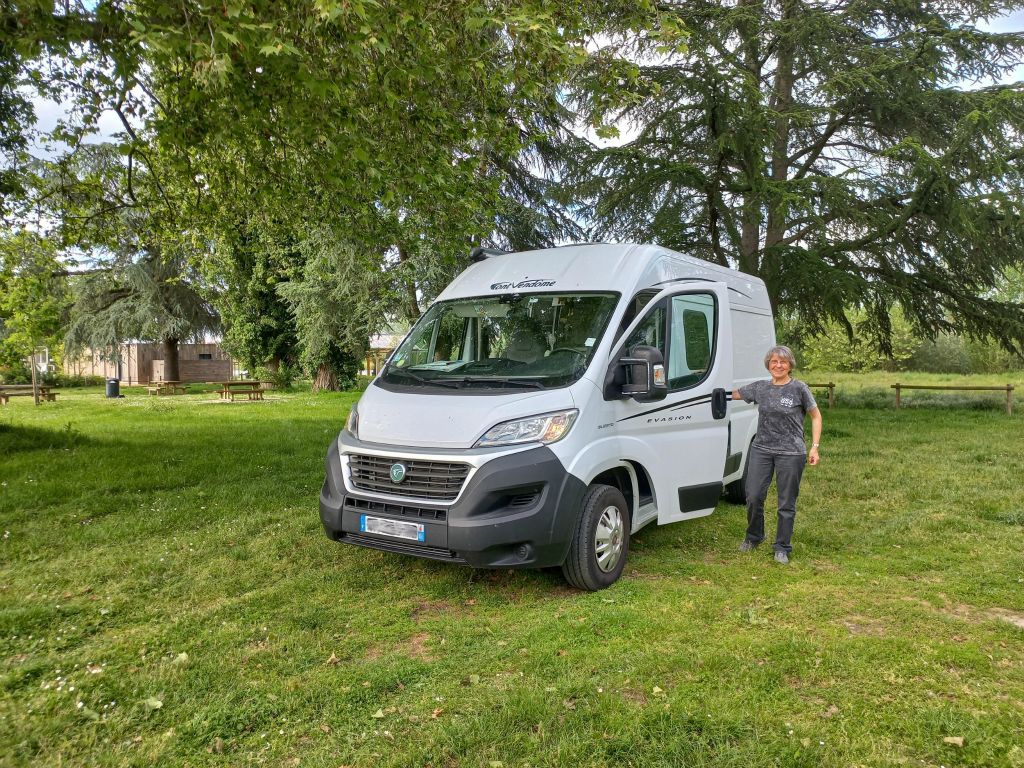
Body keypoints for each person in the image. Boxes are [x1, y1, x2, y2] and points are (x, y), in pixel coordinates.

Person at [732, 345, 822, 564]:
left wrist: (814, 446)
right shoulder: (761, 388)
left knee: (786, 502)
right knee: (753, 495)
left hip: (791, 452)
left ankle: (782, 546)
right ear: (768, 365)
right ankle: (754, 537)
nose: (778, 365)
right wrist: (708, 391)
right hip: (761, 449)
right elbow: (733, 394)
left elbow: (816, 416)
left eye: (783, 362)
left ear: (790, 365)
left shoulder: (799, 388)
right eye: (774, 362)